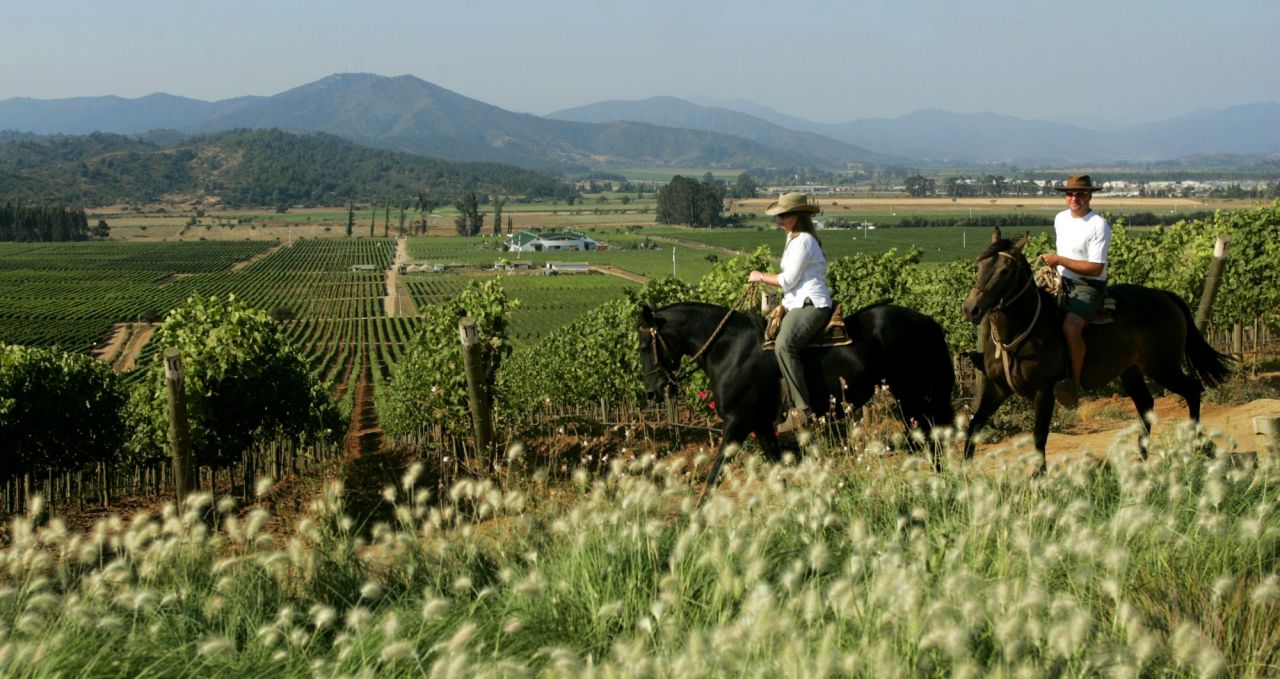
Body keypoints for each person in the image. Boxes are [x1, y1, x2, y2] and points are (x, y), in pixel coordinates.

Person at [748, 192, 834, 432]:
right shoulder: (793, 239)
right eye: (779, 215)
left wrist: (760, 276)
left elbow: (789, 279)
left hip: (811, 304)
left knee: (784, 345)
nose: (780, 220)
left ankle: (802, 409)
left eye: (784, 215)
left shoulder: (804, 241)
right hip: (796, 303)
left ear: (798, 216)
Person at [1038, 174, 1111, 408]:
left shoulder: (1098, 224)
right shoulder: (1060, 219)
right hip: (1061, 280)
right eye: (1070, 193)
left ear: (1090, 195)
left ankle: (1075, 384)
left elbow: (1095, 267)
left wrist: (1060, 259)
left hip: (1087, 286)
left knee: (1071, 328)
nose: (1074, 198)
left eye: (1080, 194)